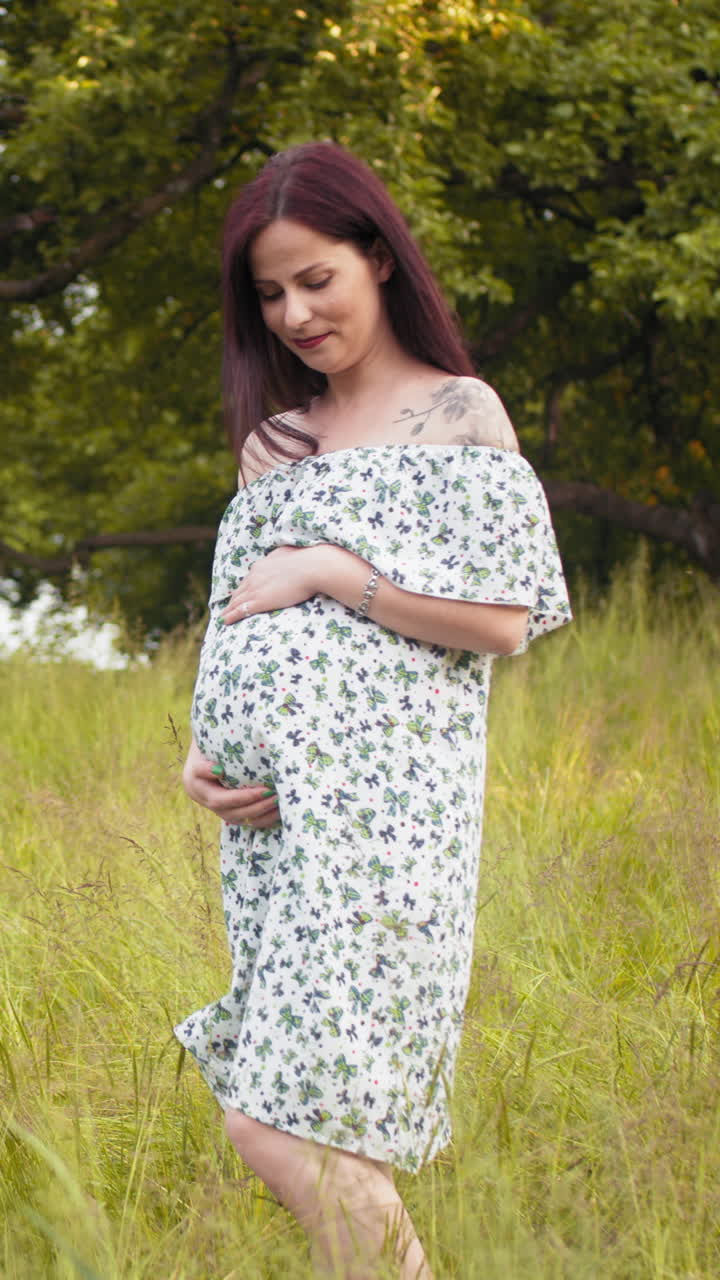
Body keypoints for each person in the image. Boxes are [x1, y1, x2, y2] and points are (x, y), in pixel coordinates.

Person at [175, 141, 571, 1278]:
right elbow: (233, 616)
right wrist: (202, 757)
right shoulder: (274, 445)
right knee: (317, 1117)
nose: (295, 313)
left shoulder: (456, 413)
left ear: (379, 261)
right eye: (270, 293)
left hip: (388, 833)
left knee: (279, 1117)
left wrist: (331, 571)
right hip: (275, 834)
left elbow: (503, 617)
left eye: (316, 279)